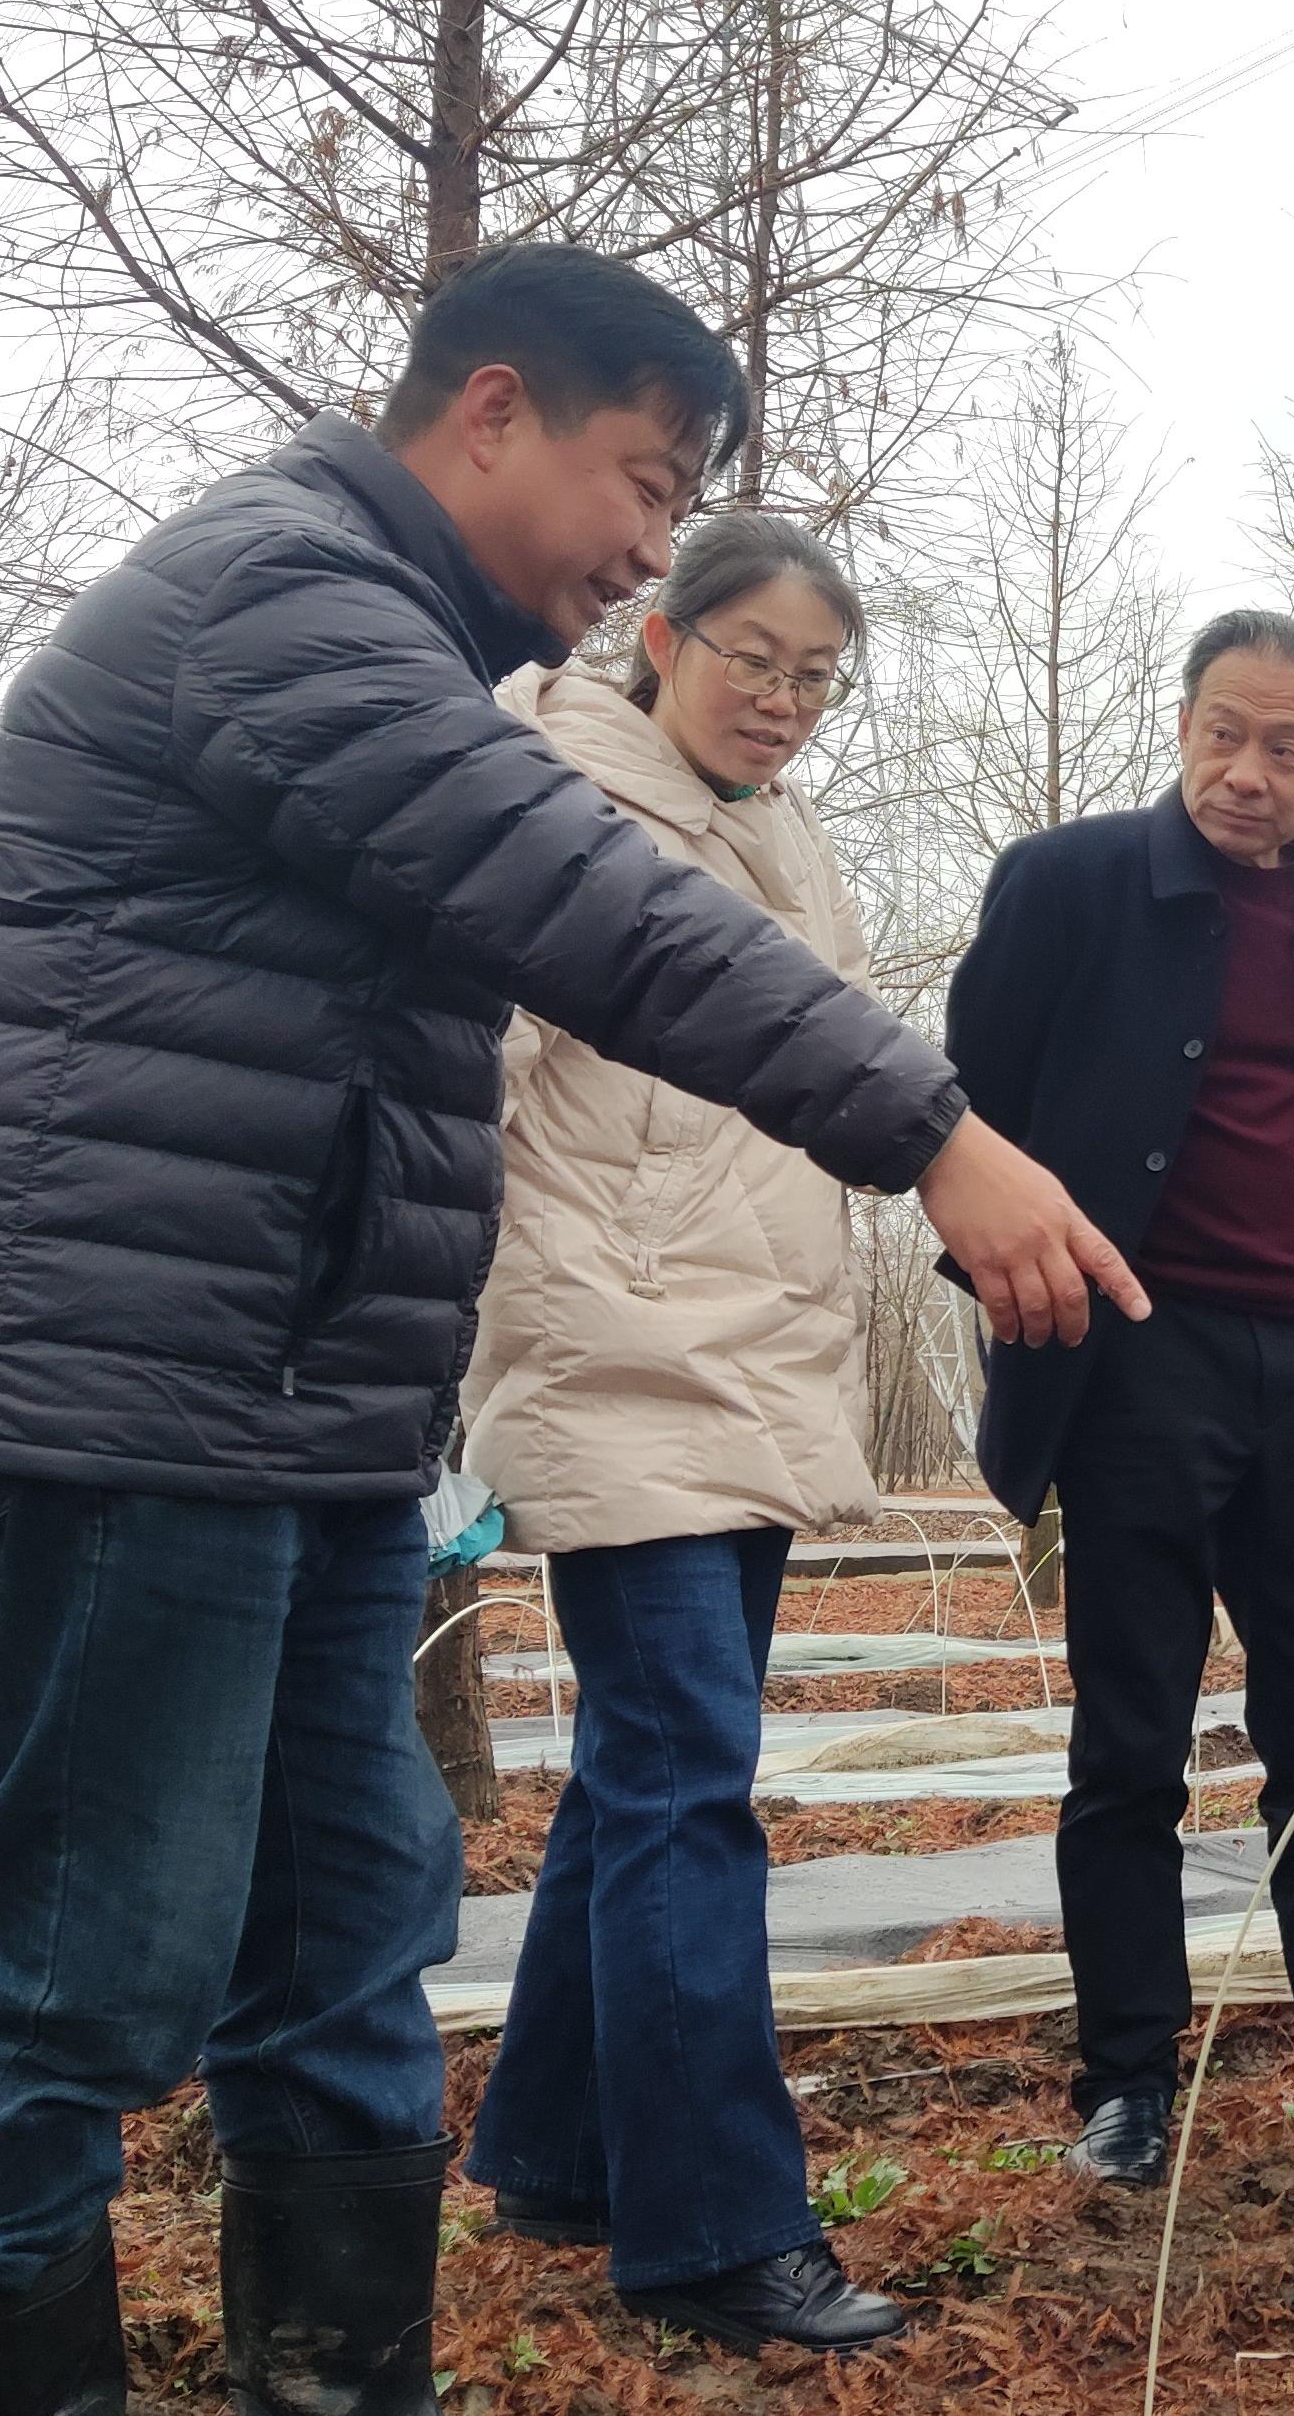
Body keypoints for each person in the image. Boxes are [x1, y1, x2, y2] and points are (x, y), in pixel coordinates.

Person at [0, 246, 1131, 2416]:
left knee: (354, 1933)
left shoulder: (404, 649)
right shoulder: (281, 602)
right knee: (94, 1955)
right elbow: (586, 904)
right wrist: (934, 1133)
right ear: (492, 412)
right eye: (642, 483)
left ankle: (341, 2377)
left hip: (315, 1411)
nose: (652, 542)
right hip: (128, 1391)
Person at [448, 515, 907, 2352]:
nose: (784, 702)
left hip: (758, 1362)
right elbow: (461, 1075)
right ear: (662, 632)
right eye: (755, 658)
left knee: (651, 1774)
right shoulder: (548, 789)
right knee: (687, 1780)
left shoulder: (791, 840)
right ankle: (716, 2228)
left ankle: (558, 2149)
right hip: (615, 1347)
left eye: (817, 678)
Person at [943, 609, 1294, 2188]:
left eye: (1286, 746)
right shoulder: (1069, 882)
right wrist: (1032, 1303)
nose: (1248, 772)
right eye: (1223, 733)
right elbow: (972, 1117)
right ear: (1181, 728)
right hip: (1135, 1357)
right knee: (1132, 1740)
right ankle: (1127, 2082)